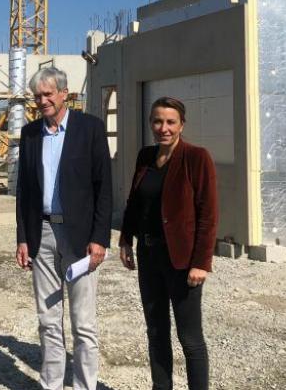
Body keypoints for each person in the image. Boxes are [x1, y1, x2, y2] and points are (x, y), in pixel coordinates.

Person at [15, 67, 112, 390]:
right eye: (37, 96)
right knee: (48, 319)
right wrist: (23, 238)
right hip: (41, 235)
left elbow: (104, 188)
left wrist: (100, 238)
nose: (42, 101)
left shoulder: (90, 129)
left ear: (64, 94)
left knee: (83, 323)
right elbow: (24, 192)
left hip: (81, 238)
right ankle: (51, 384)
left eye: (47, 94)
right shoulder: (30, 134)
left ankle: (85, 385)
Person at [119, 96, 218, 390]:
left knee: (190, 338)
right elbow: (134, 202)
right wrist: (126, 239)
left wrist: (201, 262)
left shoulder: (196, 157)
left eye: (170, 122)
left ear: (181, 125)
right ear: (151, 123)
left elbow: (208, 214)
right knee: (156, 331)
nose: (164, 127)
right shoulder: (146, 157)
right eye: (158, 121)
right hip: (149, 256)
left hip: (182, 261)